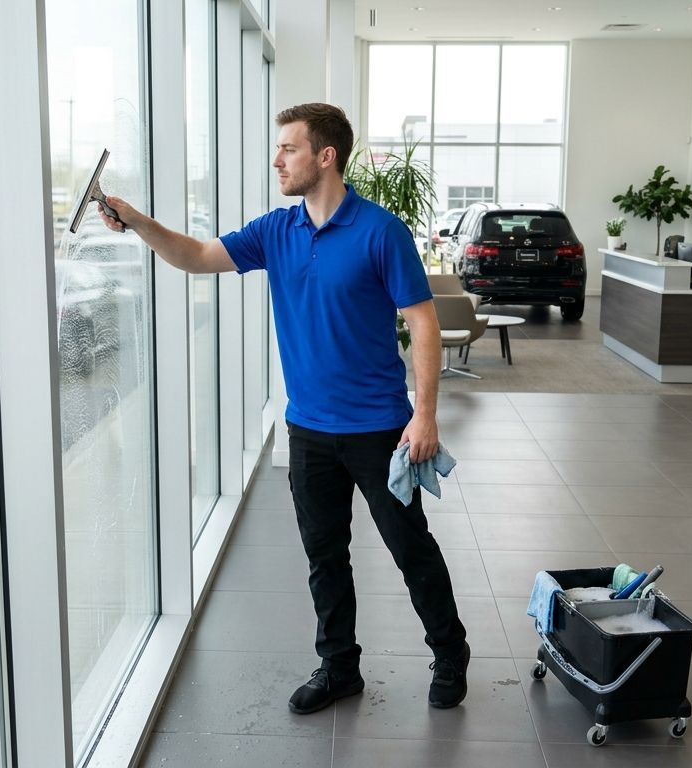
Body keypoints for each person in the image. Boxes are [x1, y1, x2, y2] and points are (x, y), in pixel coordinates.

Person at [99, 102, 468, 714]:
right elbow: (194, 257)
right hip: (308, 430)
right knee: (324, 555)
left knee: (410, 548)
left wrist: (423, 415)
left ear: (326, 156)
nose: (277, 159)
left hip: (380, 429)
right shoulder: (276, 230)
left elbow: (422, 324)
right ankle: (338, 666)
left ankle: (450, 652)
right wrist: (136, 220)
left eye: (288, 149)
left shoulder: (381, 231)